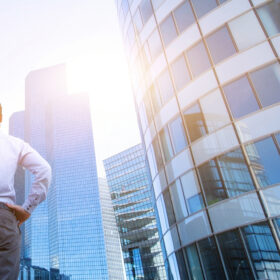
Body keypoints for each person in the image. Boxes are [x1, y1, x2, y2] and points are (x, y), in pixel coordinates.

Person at [0, 104, 51, 280]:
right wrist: (27, 208)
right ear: (1, 117)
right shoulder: (15, 144)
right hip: (3, 219)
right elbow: (44, 170)